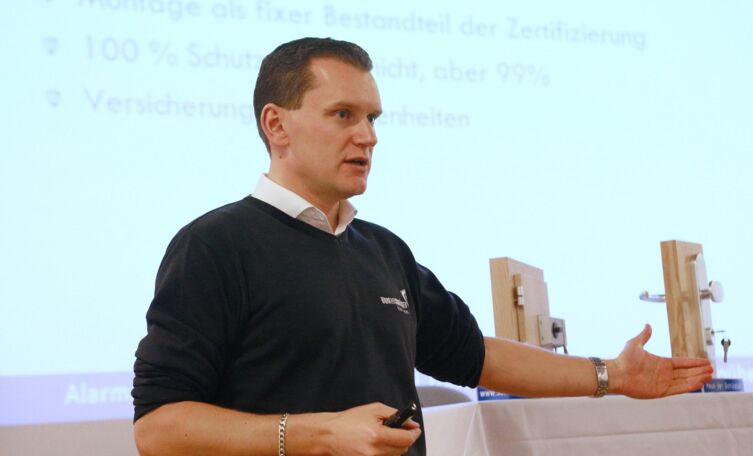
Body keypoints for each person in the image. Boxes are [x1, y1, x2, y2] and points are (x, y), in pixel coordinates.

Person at [132, 37, 713, 456]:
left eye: (372, 118)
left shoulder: (382, 251)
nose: (367, 136)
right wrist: (319, 434)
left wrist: (611, 375)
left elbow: (475, 356)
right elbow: (158, 427)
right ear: (276, 125)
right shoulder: (213, 247)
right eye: (343, 115)